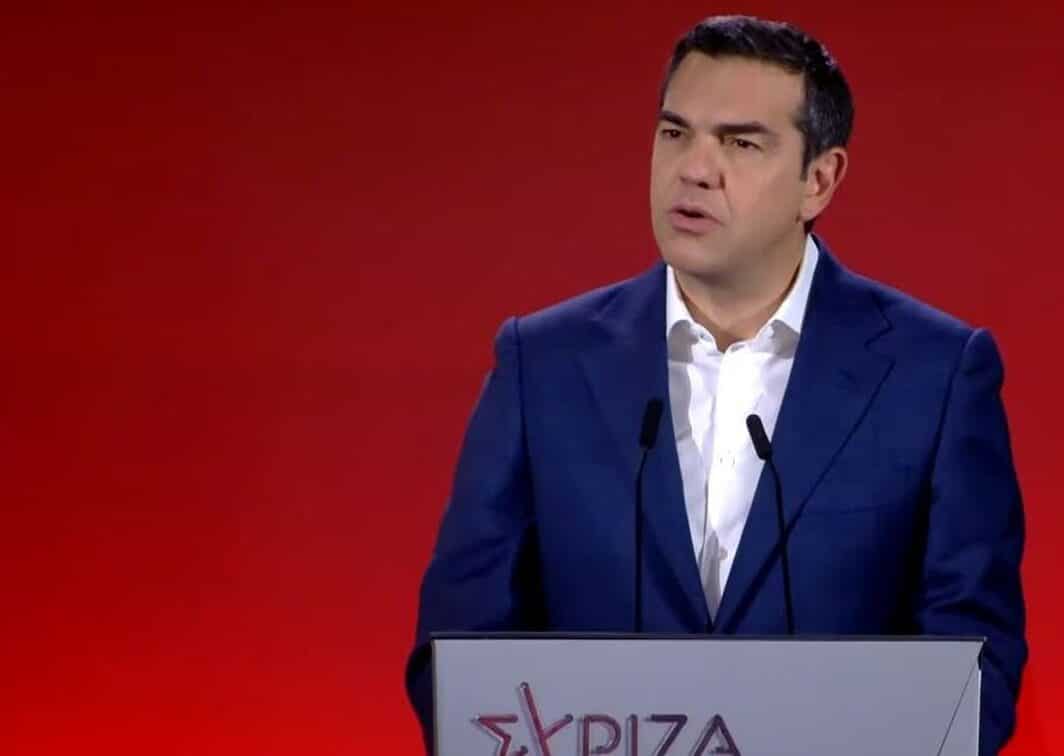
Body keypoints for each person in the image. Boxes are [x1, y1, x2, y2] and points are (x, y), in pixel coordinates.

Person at [405, 14, 1027, 755]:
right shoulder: (541, 365)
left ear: (819, 180)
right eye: (675, 133)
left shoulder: (936, 374)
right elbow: (458, 650)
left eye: (740, 143)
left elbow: (975, 668)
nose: (694, 170)